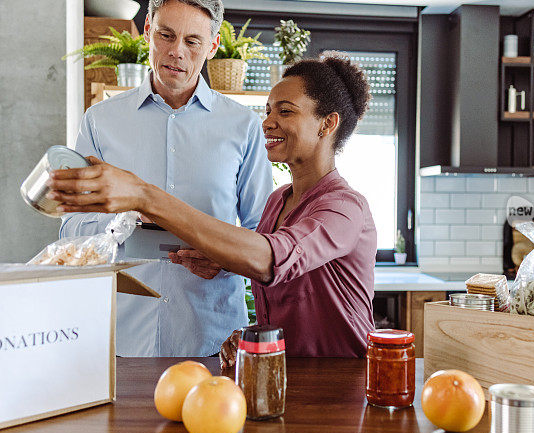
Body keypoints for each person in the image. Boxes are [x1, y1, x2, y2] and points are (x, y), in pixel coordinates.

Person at [49, 54, 377, 362]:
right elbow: (279, 290)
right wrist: (225, 272)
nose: (267, 123)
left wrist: (145, 196)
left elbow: (269, 260)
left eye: (285, 111)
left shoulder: (345, 208)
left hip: (343, 381)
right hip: (290, 376)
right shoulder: (280, 200)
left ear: (327, 124)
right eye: (268, 111)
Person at [60, 0, 273, 357]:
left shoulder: (243, 126)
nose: (177, 52)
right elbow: (71, 226)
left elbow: (263, 232)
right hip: (118, 334)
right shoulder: (100, 121)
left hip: (213, 335)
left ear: (213, 45)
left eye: (192, 41)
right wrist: (121, 223)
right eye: (166, 35)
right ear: (147, 31)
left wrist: (224, 260)